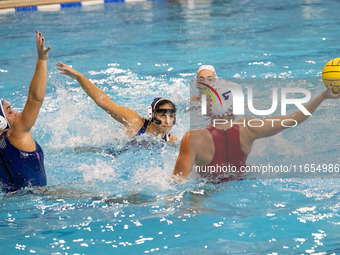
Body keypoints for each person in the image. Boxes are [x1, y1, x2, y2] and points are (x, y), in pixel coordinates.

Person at [173, 65, 340, 182]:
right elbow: (293, 119)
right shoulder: (249, 128)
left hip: (208, 191)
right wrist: (323, 96)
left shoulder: (193, 138)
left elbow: (177, 183)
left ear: (208, 109)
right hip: (241, 183)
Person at [56, 62, 177, 142]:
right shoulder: (135, 121)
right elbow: (103, 101)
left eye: (171, 116)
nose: (168, 121)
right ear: (151, 115)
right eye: (162, 115)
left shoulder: (171, 141)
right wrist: (79, 77)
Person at [0, 31, 50, 192]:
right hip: (41, 198)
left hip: (12, 199)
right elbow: (35, 98)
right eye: (9, 111)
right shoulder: (17, 133)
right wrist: (42, 60)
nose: (16, 112)